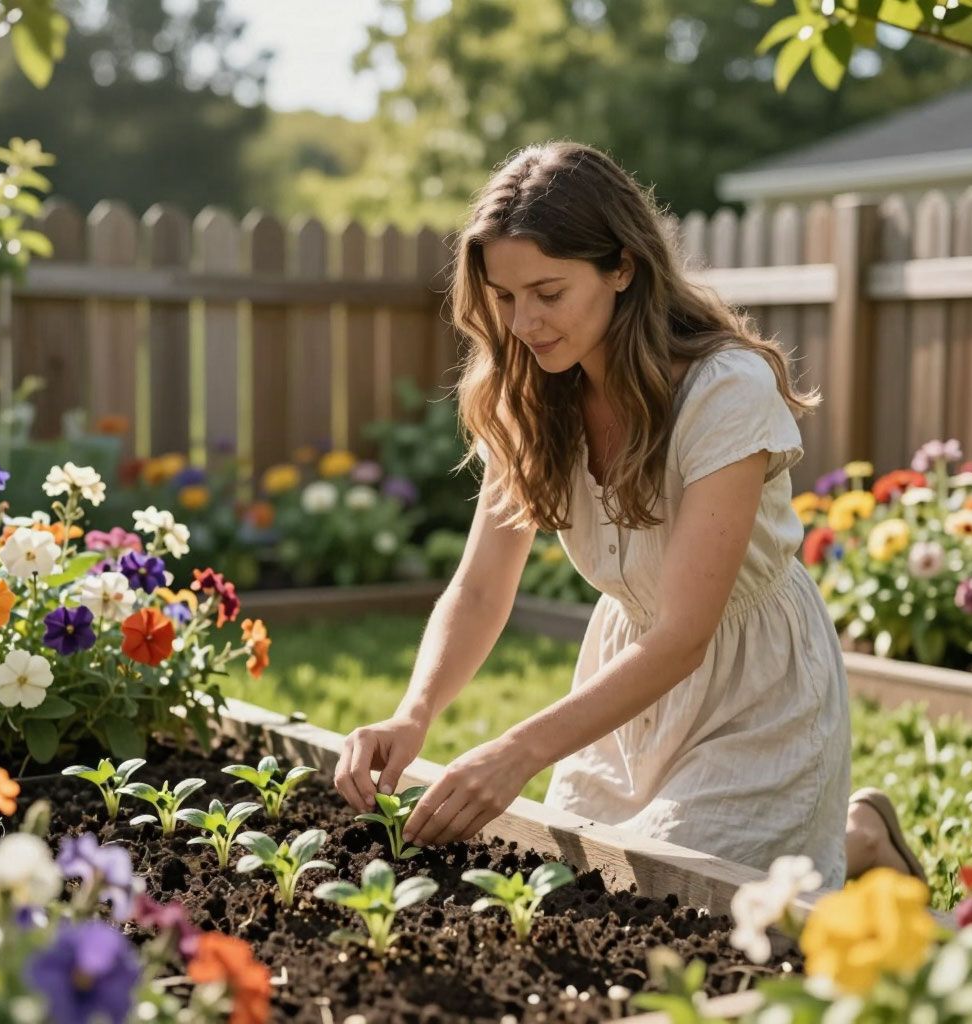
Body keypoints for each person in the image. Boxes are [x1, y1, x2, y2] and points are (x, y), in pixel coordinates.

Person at [333, 141, 925, 890]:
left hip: (754, 693)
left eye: (549, 292)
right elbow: (482, 588)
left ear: (623, 267)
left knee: (678, 911)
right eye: (505, 297)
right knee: (572, 887)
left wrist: (517, 751)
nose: (524, 322)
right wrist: (411, 717)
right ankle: (849, 839)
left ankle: (856, 841)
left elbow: (682, 638)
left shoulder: (723, 392)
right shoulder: (530, 392)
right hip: (623, 683)